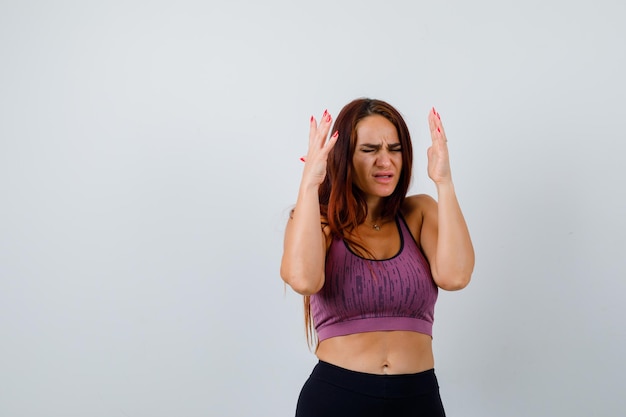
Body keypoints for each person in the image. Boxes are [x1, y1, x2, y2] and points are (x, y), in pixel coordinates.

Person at [280, 98, 474, 417]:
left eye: (394, 149)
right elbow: (303, 280)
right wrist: (310, 184)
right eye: (370, 150)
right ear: (343, 157)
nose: (385, 161)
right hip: (337, 398)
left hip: (417, 398)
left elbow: (456, 276)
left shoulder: (420, 212)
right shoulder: (319, 221)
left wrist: (444, 181)